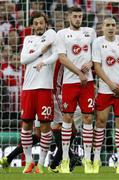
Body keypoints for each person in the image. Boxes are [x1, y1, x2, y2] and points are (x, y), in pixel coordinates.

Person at [56, 6, 96, 174]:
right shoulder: (61, 34)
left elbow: (96, 55)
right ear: (69, 17)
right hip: (70, 82)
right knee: (67, 117)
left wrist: (92, 63)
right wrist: (80, 73)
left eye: (80, 16)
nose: (78, 19)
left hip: (88, 83)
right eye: (75, 16)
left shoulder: (91, 32)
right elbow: (62, 58)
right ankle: (65, 159)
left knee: (88, 117)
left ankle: (87, 160)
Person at [92, 17, 119, 174]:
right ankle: (96, 159)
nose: (111, 27)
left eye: (113, 25)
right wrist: (110, 84)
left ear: (117, 27)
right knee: (101, 122)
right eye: (107, 25)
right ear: (102, 27)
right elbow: (97, 65)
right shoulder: (97, 42)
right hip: (105, 89)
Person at [19, 11, 58, 173]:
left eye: (41, 22)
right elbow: (23, 60)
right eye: (35, 23)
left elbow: (56, 55)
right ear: (32, 25)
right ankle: (29, 161)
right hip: (28, 87)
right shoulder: (28, 39)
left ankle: (41, 163)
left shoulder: (51, 35)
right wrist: (41, 51)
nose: (38, 26)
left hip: (44, 87)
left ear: (46, 23)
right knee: (26, 123)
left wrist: (43, 60)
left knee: (45, 126)